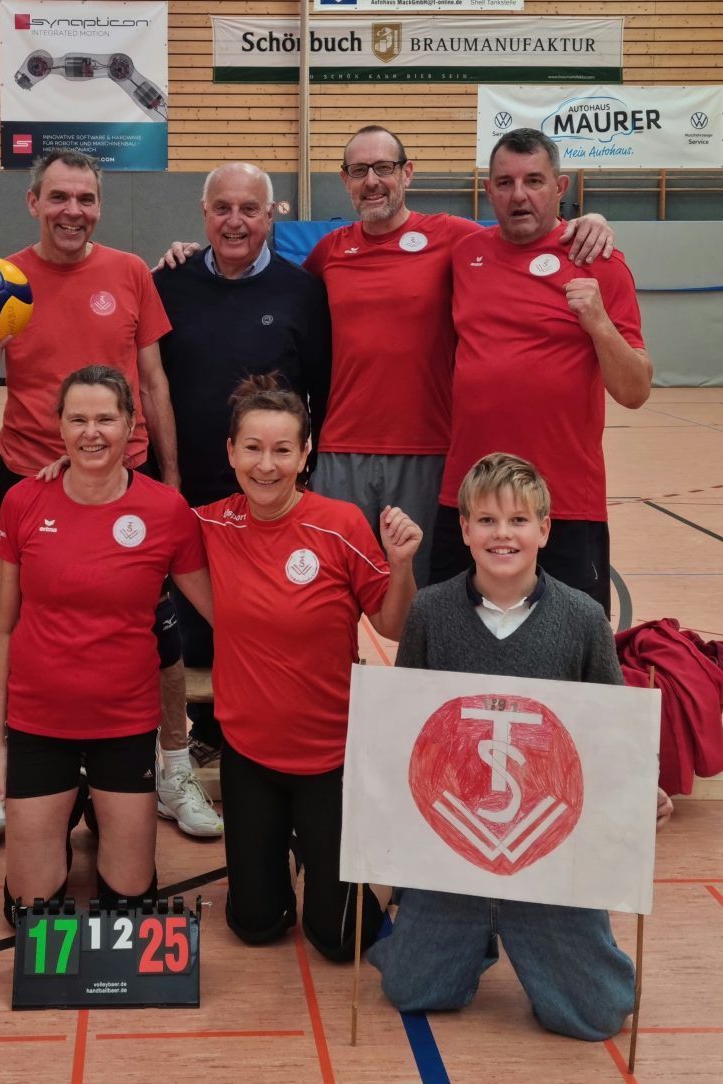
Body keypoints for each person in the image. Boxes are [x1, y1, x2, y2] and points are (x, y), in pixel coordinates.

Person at [0, 149, 213, 843]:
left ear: (99, 205)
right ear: (33, 202)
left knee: (158, 625)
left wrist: (173, 476)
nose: (73, 211)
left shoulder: (128, 273)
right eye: (59, 197)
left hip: (125, 478)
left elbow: (152, 382)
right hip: (29, 479)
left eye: (85, 199)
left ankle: (173, 765)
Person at [369, 452, 672, 1041]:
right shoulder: (430, 611)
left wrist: (643, 786)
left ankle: (554, 938)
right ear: (463, 530)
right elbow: (406, 722)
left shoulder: (583, 618)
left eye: (517, 522)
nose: (502, 534)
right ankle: (472, 930)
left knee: (595, 1016)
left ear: (544, 529)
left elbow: (611, 728)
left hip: (548, 845)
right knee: (410, 990)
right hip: (455, 844)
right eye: (485, 520)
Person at [302, 125, 615, 586]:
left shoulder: (455, 239)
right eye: (359, 170)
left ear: (407, 174)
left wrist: (591, 220)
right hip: (340, 450)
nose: (372, 180)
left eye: (384, 168)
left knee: (427, 595)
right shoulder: (329, 250)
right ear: (345, 179)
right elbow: (272, 289)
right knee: (331, 589)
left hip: (428, 451)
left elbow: (524, 232)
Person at [193, 375, 420, 959]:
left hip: (333, 757)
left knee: (340, 942)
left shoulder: (339, 524)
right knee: (255, 925)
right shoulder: (209, 523)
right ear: (231, 452)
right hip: (249, 756)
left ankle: (375, 864)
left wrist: (400, 566)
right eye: (252, 448)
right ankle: (281, 860)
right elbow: (127, 508)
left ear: (306, 452)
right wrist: (61, 472)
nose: (266, 465)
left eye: (282, 450)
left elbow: (391, 625)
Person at [0, 366, 213, 917]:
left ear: (132, 425)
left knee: (130, 904)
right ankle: (65, 807)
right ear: (59, 428)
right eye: (78, 419)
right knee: (29, 909)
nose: (92, 432)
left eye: (106, 419)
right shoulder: (22, 502)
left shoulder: (165, 511)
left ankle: (93, 806)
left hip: (125, 725)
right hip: (40, 724)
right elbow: (5, 626)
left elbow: (224, 610)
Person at [152, 161, 331, 797]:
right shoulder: (166, 284)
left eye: (249, 209)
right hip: (187, 486)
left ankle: (259, 728)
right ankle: (200, 726)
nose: (235, 221)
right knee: (194, 624)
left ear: (270, 216)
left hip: (268, 491)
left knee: (264, 616)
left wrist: (300, 473)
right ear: (203, 215)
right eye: (222, 208)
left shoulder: (302, 292)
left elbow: (322, 389)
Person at [430, 129, 652, 616]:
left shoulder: (600, 264)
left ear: (561, 186)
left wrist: (597, 324)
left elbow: (635, 390)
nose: (519, 195)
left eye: (534, 180)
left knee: (569, 663)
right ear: (488, 190)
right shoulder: (465, 253)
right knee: (451, 652)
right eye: (505, 182)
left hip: (565, 501)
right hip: (470, 498)